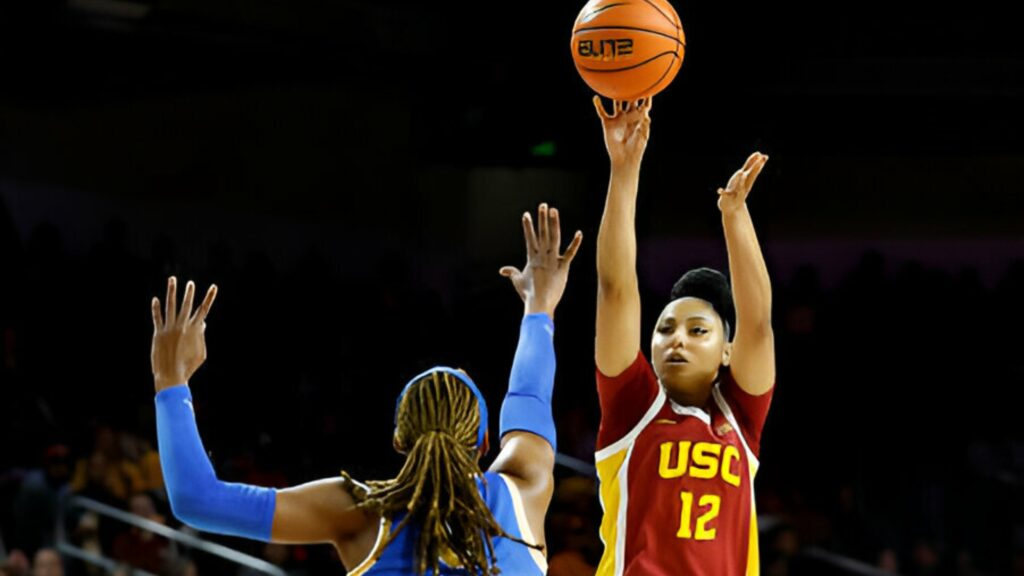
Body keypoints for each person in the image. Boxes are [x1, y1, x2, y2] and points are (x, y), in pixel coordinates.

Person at [150, 204, 582, 575]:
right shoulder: (524, 485)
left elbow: (195, 499)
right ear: (486, 442)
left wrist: (172, 382)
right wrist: (540, 307)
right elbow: (529, 397)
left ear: (398, 439)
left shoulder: (360, 512)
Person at [591, 96, 775, 575]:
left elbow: (757, 323)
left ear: (726, 352)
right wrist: (624, 169)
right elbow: (615, 289)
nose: (678, 339)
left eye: (698, 331)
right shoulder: (633, 406)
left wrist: (735, 216)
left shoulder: (740, 420)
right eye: (665, 328)